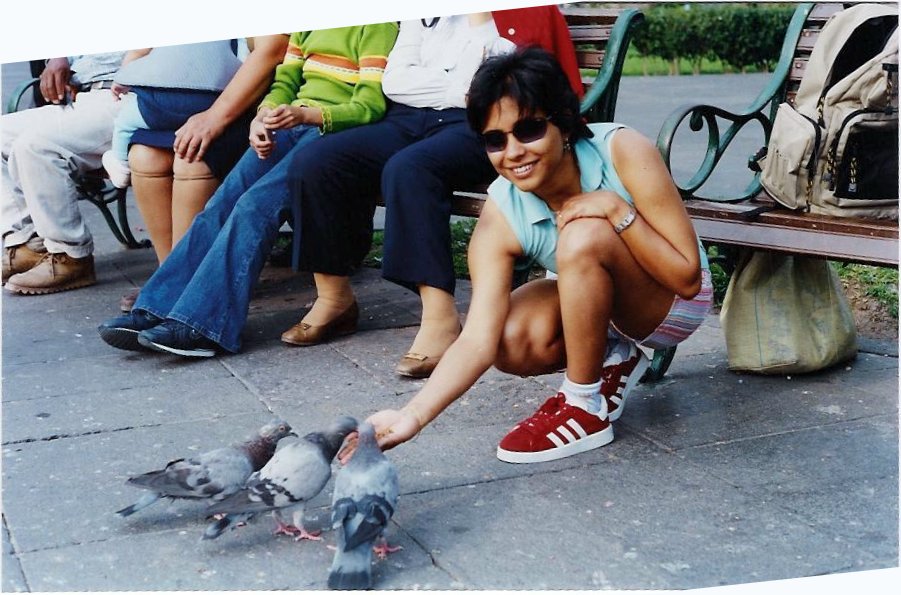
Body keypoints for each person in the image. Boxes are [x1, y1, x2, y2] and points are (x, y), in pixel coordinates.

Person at [347, 47, 713, 465]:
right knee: (510, 336)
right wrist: (413, 414)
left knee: (583, 234)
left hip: (673, 303)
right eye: (495, 140)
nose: (514, 151)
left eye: (529, 129)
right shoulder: (500, 213)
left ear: (566, 125)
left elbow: (687, 279)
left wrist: (616, 209)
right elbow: (477, 340)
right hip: (602, 304)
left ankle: (583, 404)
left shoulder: (622, 149)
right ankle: (615, 358)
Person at [280, 8, 585, 379]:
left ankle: (440, 318)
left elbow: (503, 76)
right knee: (316, 161)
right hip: (409, 116)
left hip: (484, 126)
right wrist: (459, 90)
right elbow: (396, 81)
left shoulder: (516, 10)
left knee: (411, 169)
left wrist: (478, 21)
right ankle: (334, 298)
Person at [96, 23, 399, 357]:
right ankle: (158, 305)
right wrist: (263, 116)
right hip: (290, 124)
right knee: (223, 202)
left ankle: (205, 325)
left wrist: (308, 115)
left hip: (332, 132)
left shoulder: (376, 25)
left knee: (255, 206)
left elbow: (371, 105)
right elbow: (285, 80)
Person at [107, 36, 288, 311]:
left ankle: (187, 282)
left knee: (191, 159)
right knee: (145, 157)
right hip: (183, 96)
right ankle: (168, 274)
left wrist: (215, 117)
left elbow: (273, 49)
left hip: (252, 104)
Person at [2, 52, 125, 294]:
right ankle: (30, 246)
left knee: (35, 146)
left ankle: (71, 254)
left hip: (124, 97)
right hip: (83, 98)